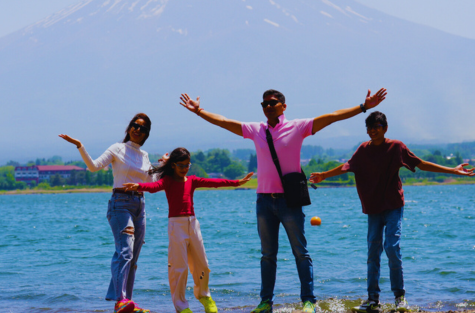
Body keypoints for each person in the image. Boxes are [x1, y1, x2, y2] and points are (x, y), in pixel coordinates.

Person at [179, 88, 387, 313]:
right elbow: (224, 122)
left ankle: (309, 301)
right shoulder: (256, 129)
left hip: (290, 201)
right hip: (264, 201)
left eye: (273, 102)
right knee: (267, 255)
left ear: (283, 106)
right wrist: (199, 111)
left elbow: (332, 117)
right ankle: (266, 302)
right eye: (264, 104)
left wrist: (363, 107)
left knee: (301, 252)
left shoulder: (297, 127)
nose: (268, 106)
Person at [309, 111, 475, 313]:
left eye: (376, 127)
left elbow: (420, 163)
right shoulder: (363, 149)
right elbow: (346, 166)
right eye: (369, 128)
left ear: (385, 128)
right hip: (373, 208)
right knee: (373, 252)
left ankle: (399, 299)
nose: (372, 131)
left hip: (393, 205)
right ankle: (373, 300)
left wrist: (453, 170)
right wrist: (324, 175)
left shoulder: (396, 147)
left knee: (391, 247)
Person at [123, 147, 254, 313]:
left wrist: (237, 182)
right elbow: (154, 186)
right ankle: (181, 306)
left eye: (187, 165)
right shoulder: (168, 181)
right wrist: (138, 186)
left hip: (193, 224)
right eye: (181, 165)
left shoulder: (192, 180)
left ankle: (204, 296)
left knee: (203, 265)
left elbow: (214, 183)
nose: (185, 169)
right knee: (180, 268)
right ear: (173, 165)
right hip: (176, 226)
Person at [59, 113, 155, 313]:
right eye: (135, 125)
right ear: (129, 127)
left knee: (133, 258)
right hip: (120, 204)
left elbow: (151, 181)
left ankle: (127, 301)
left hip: (140, 205)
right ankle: (120, 300)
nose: (138, 130)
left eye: (143, 128)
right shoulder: (117, 148)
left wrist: (162, 164)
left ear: (147, 134)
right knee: (125, 252)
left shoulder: (144, 156)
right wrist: (79, 145)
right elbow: (93, 167)